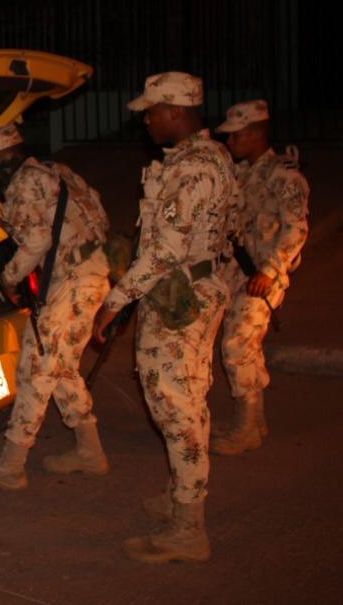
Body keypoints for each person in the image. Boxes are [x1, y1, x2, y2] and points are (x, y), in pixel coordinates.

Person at [92, 72, 238, 563]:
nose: (147, 121)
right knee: (187, 401)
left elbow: (165, 250)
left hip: (180, 298)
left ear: (175, 110)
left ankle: (189, 529)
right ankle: (182, 497)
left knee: (176, 410)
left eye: (152, 112)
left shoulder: (194, 167)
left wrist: (117, 299)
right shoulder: (206, 158)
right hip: (188, 292)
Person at [0, 124, 112, 491]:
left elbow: (36, 240)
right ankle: (89, 450)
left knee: (35, 368)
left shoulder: (25, 182)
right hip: (93, 274)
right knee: (59, 365)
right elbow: (100, 217)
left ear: (0, 157)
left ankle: (11, 464)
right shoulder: (56, 171)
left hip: (69, 283)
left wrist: (9, 279)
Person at [211, 100, 309, 455]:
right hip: (235, 271)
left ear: (253, 134)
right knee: (242, 346)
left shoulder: (284, 177)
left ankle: (247, 427)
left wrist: (271, 270)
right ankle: (253, 420)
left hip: (263, 277)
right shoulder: (242, 173)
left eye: (235, 136)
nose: (230, 142)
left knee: (237, 345)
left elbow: (296, 228)